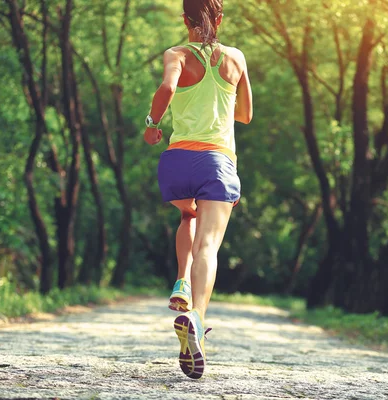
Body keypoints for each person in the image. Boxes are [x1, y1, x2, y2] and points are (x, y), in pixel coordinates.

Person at [143, 0, 252, 380]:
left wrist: (153, 123)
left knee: (188, 213)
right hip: (217, 163)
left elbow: (167, 87)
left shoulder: (175, 53)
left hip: (175, 161)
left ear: (184, 20)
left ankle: (181, 281)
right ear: (219, 19)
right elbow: (246, 114)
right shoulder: (235, 57)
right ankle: (197, 318)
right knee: (208, 244)